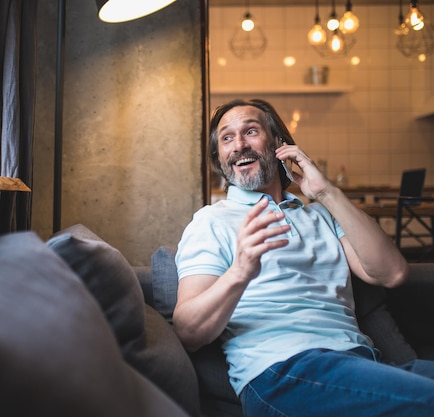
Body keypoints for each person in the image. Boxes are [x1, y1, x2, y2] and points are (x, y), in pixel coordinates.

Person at [173, 98, 434, 416]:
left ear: (280, 146)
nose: (239, 144)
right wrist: (240, 270)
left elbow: (392, 273)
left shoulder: (322, 215)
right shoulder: (211, 220)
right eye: (227, 138)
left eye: (251, 131)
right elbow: (188, 332)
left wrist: (325, 193)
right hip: (282, 372)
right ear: (221, 158)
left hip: (359, 362)